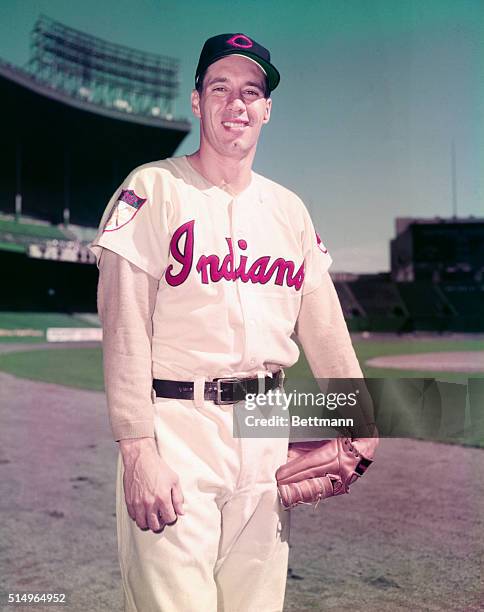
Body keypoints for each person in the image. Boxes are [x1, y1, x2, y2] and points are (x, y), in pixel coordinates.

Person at [89, 32, 365, 612]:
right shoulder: (152, 187)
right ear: (197, 101)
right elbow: (124, 330)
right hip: (177, 427)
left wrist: (358, 425)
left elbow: (325, 326)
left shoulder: (289, 209)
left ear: (267, 109)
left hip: (266, 424)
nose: (236, 103)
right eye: (220, 88)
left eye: (251, 91)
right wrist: (138, 452)